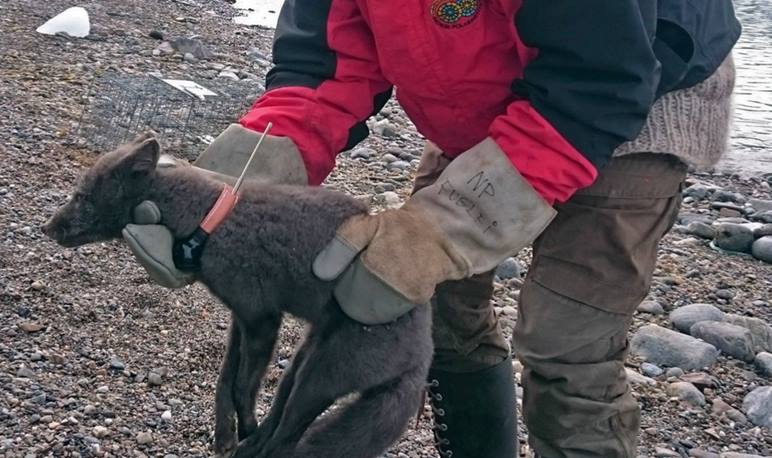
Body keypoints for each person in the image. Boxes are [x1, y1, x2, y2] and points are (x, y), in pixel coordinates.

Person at [124, 0, 740, 456]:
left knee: (566, 345)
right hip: (490, 98)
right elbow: (323, 71)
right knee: (435, 308)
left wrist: (443, 229)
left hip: (641, 100)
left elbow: (595, 83)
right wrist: (222, 196)